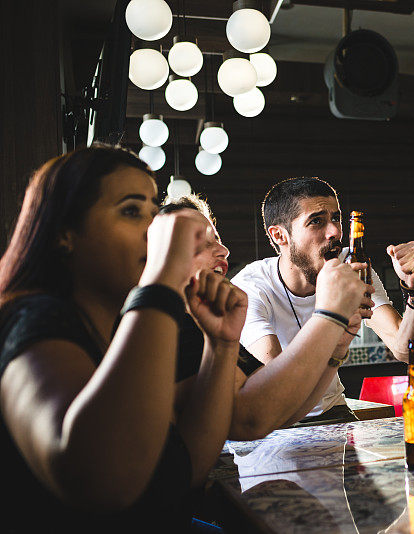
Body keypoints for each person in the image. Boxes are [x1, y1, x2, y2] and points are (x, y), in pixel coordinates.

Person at [0, 145, 246, 531]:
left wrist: (222, 344)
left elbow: (187, 468)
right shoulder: (32, 318)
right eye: (132, 211)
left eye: (153, 213)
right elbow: (101, 480)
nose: (154, 233)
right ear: (65, 233)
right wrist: (162, 280)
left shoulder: (117, 334)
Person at [160, 195, 370, 440]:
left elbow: (285, 408)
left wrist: (338, 345)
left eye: (217, 239)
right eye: (202, 242)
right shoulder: (171, 329)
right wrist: (328, 316)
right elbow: (250, 418)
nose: (224, 250)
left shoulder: (204, 325)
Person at [231, 177, 414, 430]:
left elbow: (405, 349)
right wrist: (331, 314)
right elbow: (279, 385)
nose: (335, 231)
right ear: (279, 235)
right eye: (316, 221)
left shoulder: (352, 266)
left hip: (333, 411)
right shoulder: (252, 286)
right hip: (275, 419)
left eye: (335, 218)